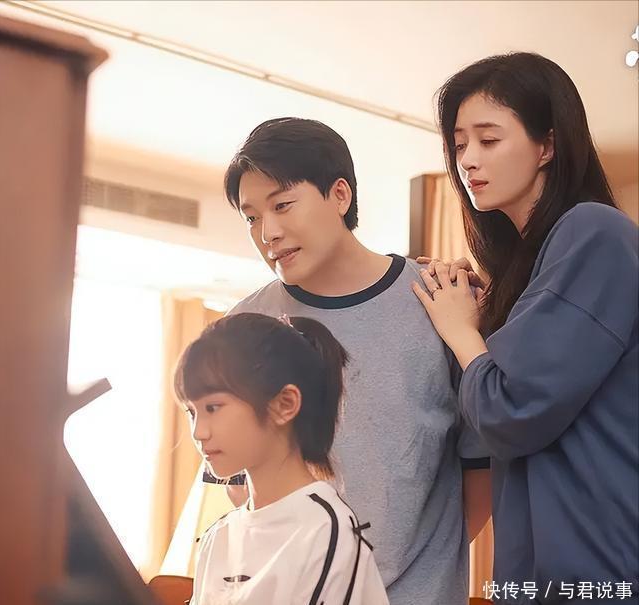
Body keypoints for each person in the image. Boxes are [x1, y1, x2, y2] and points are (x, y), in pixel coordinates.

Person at [221, 117, 492, 604]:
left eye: (282, 205)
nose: (268, 232)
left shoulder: (439, 301)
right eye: (251, 218)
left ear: (340, 195)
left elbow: (482, 469)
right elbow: (238, 485)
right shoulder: (239, 329)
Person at [413, 52, 638, 603]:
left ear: (548, 146)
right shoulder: (528, 268)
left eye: (488, 139)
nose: (468, 160)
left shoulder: (594, 232)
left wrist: (462, 332)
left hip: (601, 569)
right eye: (459, 145)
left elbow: (512, 410)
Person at [175, 312, 389, 605]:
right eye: (191, 412)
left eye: (213, 408)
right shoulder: (218, 537)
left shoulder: (325, 529)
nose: (198, 432)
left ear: (284, 404)